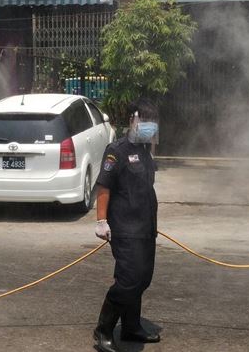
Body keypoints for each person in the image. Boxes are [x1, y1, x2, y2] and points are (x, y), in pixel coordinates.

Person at [93, 98, 161, 352]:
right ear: (133, 120)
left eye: (152, 124)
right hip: (125, 229)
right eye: (144, 122)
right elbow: (104, 186)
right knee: (128, 280)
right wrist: (101, 221)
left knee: (143, 279)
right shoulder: (116, 150)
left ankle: (131, 327)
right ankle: (103, 330)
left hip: (145, 228)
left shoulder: (144, 150)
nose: (149, 128)